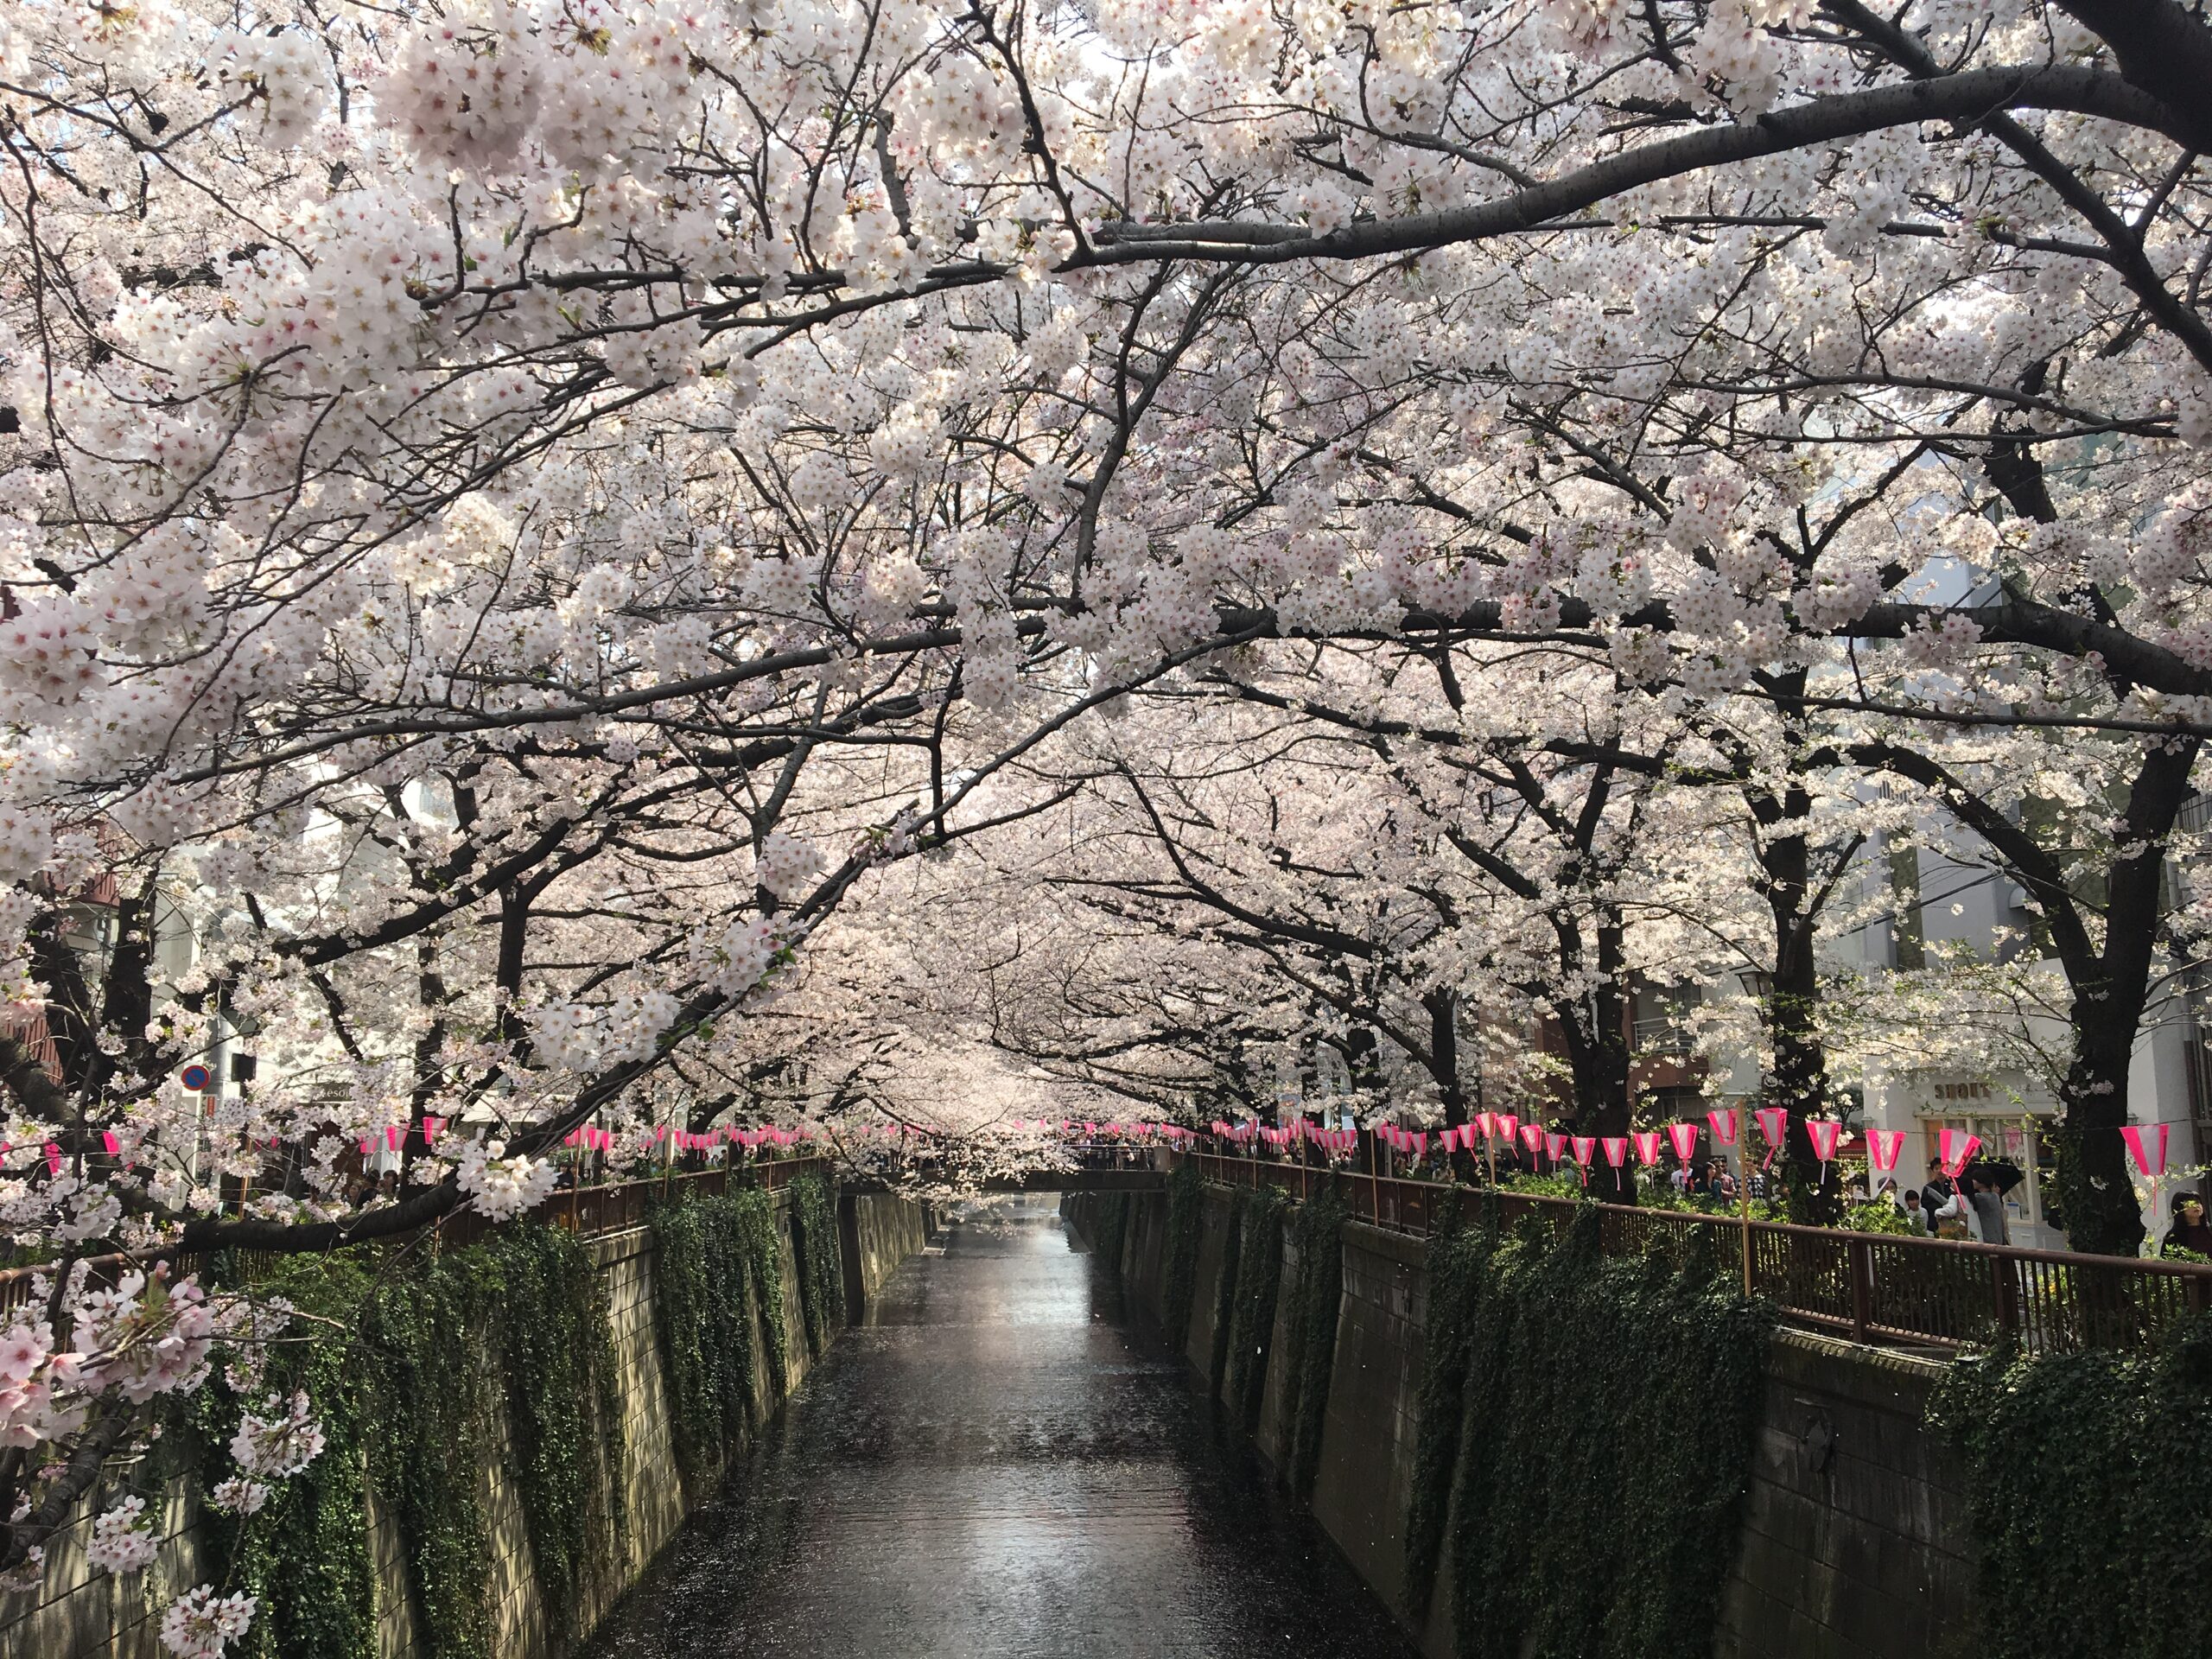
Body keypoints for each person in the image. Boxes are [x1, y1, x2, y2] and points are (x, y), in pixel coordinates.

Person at [1962, 1172, 2010, 1245]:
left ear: (1981, 1182)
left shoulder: (1981, 1198)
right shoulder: (1995, 1196)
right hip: (1997, 1238)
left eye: (1974, 1179)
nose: (1972, 1181)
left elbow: (1964, 1201)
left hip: (1987, 1239)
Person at [2162, 1192, 2212, 1259]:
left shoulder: (2209, 1230)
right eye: (2190, 1203)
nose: (2196, 1205)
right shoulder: (2173, 1236)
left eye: (2198, 1202)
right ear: (2180, 1208)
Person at [1920, 1160, 1956, 1236]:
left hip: (1953, 1221)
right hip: (1935, 1223)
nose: (1940, 1171)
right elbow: (1926, 1206)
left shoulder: (1952, 1185)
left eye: (1942, 1168)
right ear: (1933, 1171)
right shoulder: (1928, 1188)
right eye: (1936, 1168)